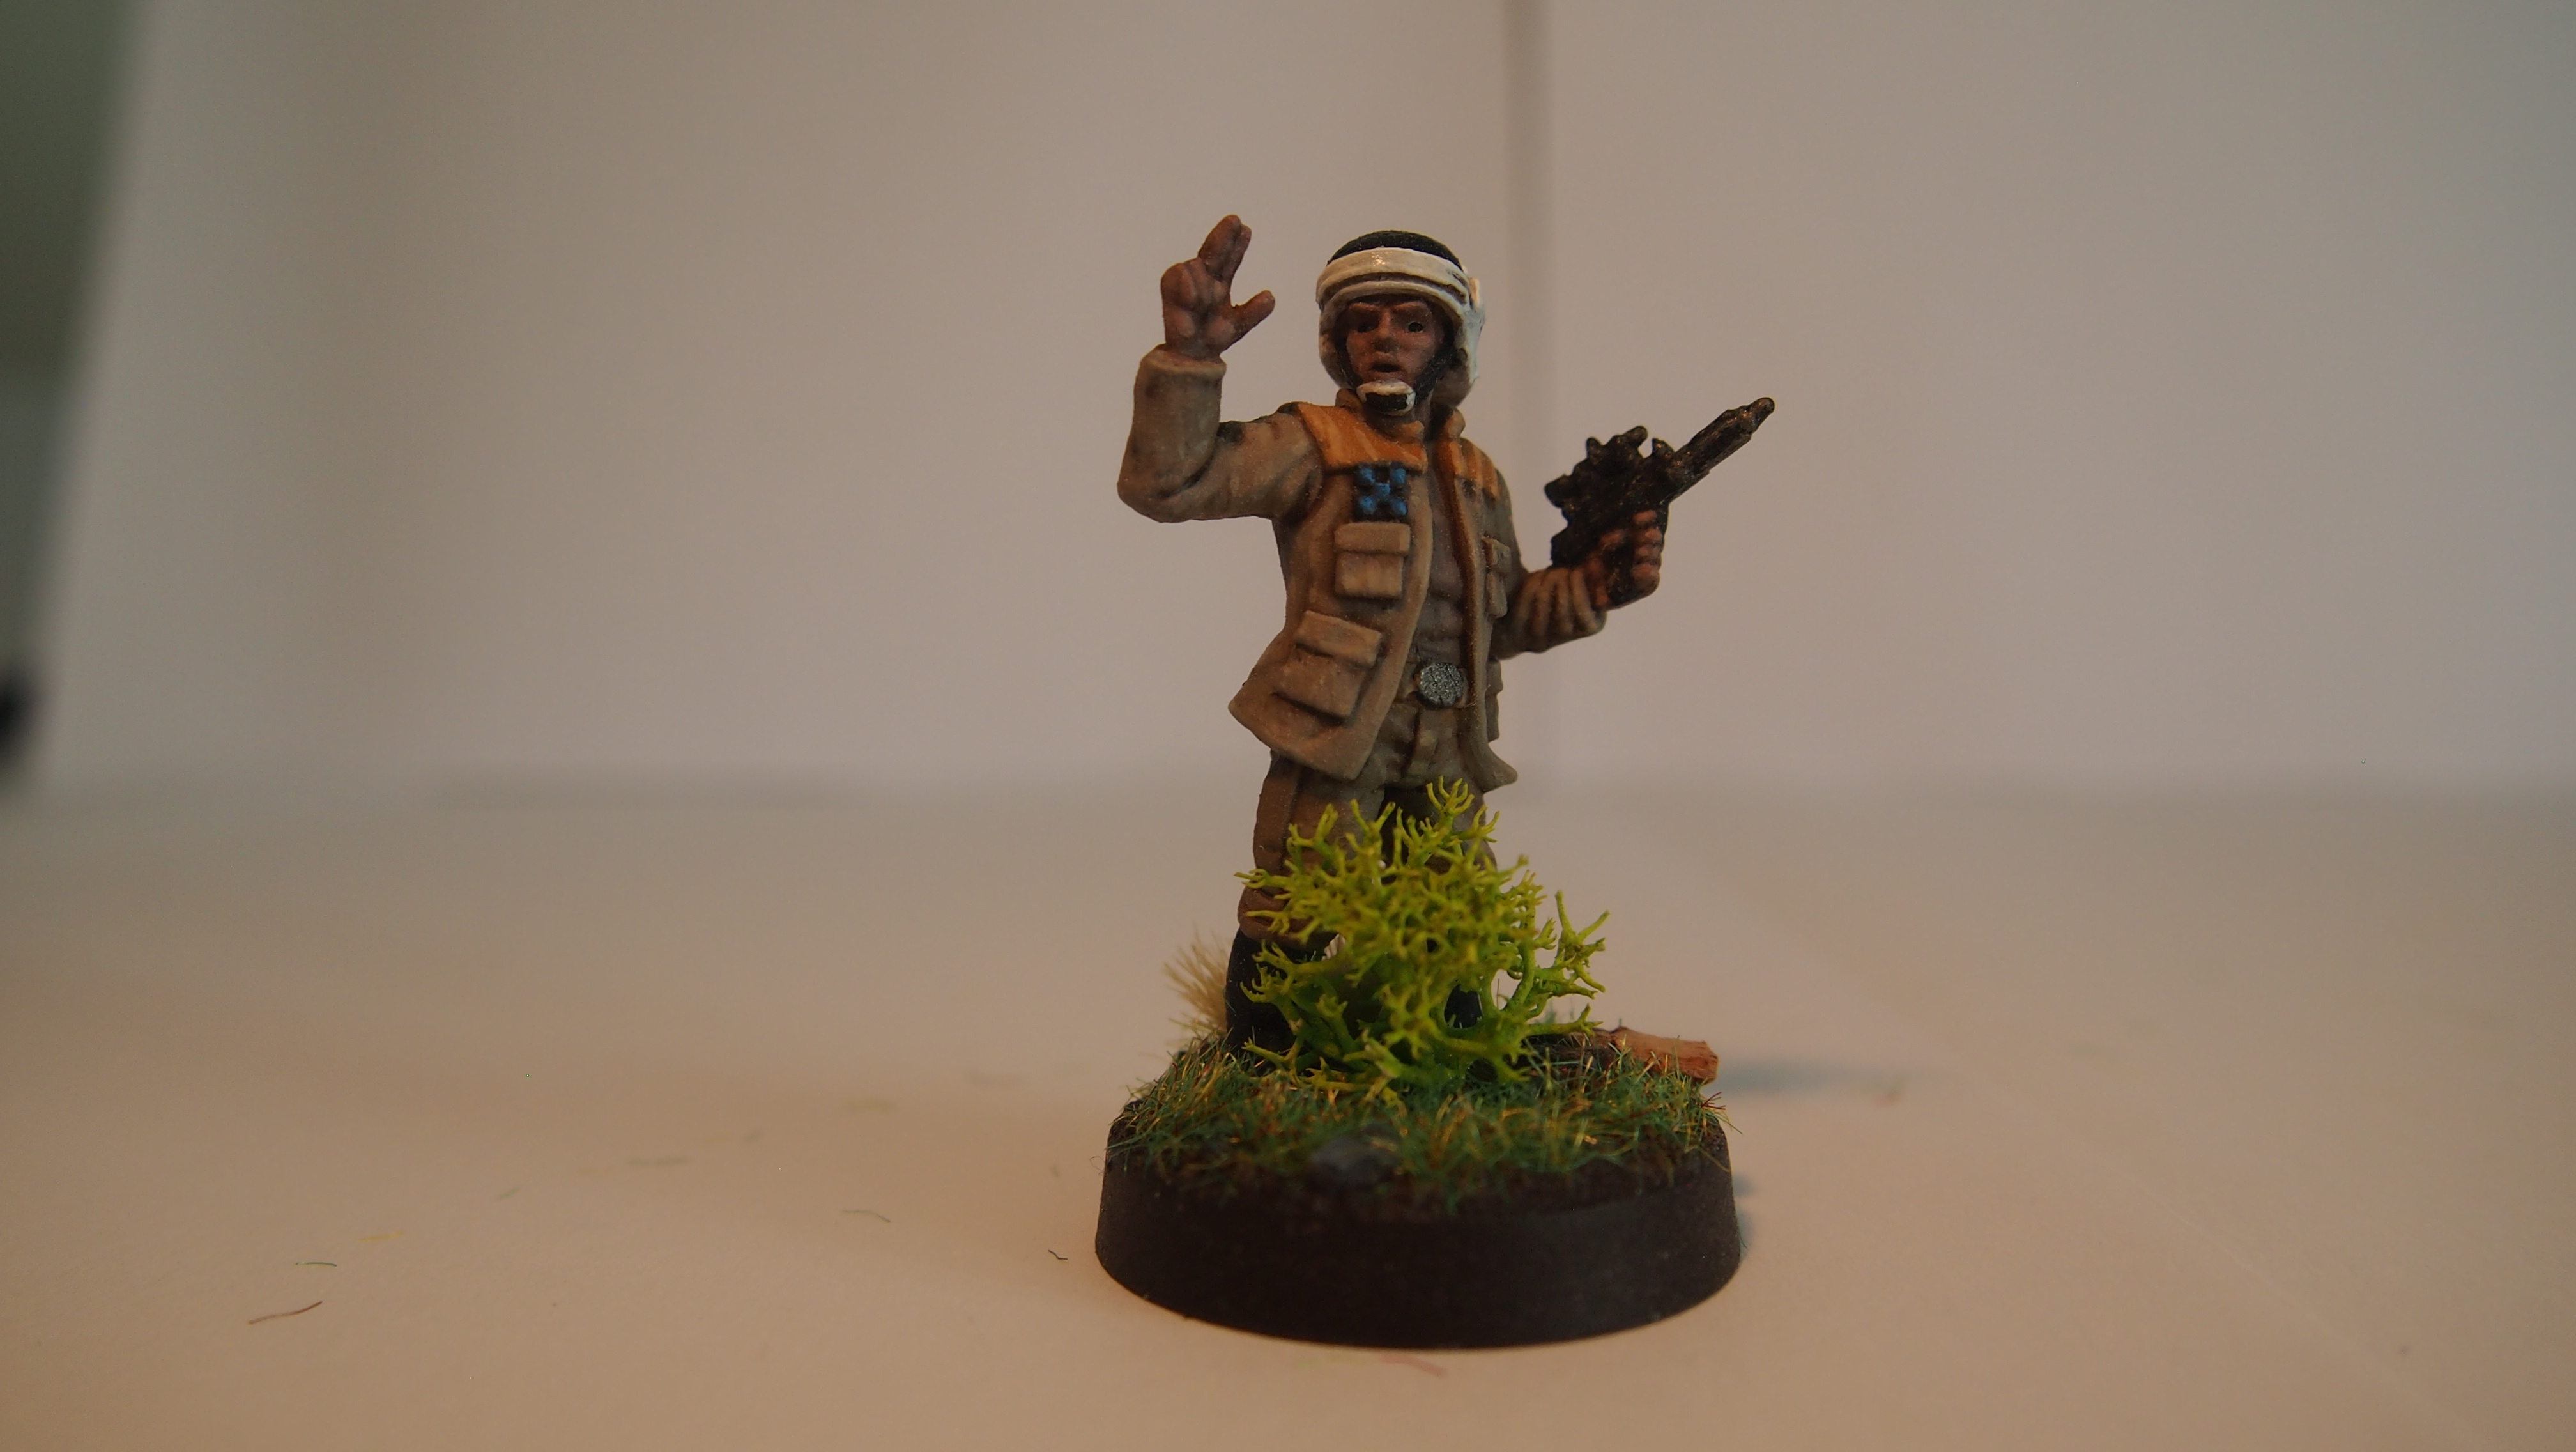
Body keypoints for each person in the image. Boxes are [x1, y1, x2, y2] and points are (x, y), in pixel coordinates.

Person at [1117, 215, 1666, 1047]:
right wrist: (1189, 361)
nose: (1386, 338)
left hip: (1447, 740)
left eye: (1413, 322)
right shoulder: (1312, 444)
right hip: (1338, 729)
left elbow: (1508, 614)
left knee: (1456, 905)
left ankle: (1454, 1055)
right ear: (1338, 342)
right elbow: (1168, 484)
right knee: (1301, 893)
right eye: (1364, 322)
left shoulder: (1478, 477)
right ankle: (1262, 1057)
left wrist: (1597, 585)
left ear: (1450, 342)